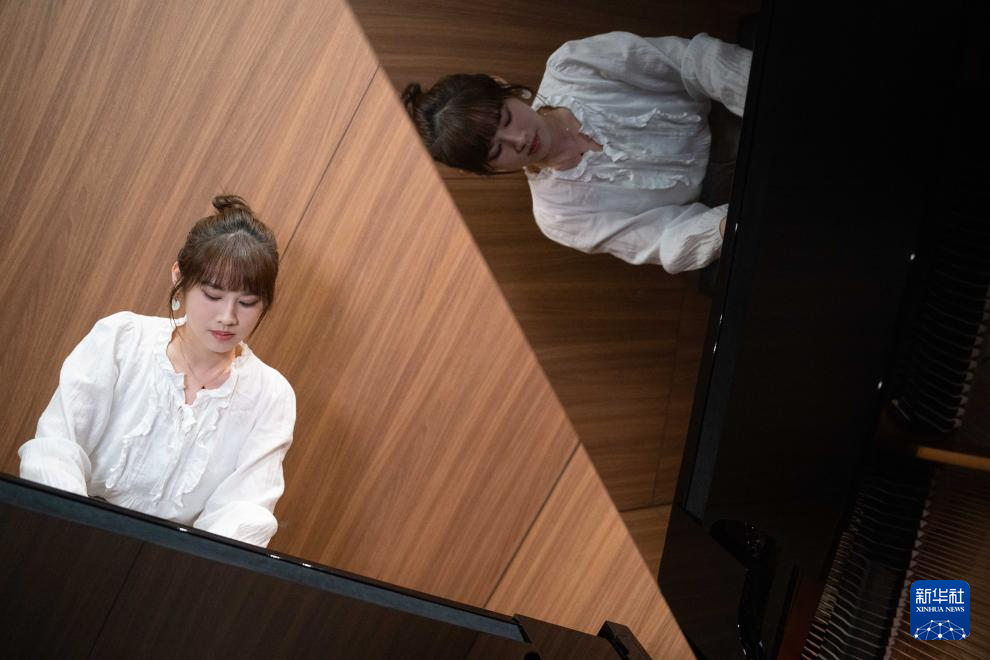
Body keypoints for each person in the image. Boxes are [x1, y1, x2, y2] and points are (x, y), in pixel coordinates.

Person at [18, 196, 295, 548]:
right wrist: (76, 534)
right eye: (213, 295)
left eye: (247, 302)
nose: (228, 317)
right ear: (179, 277)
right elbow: (56, 448)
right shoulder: (122, 339)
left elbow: (243, 512)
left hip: (172, 561)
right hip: (64, 532)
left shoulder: (271, 395)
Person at [402, 31, 752, 273]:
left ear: (501, 85)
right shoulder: (557, 215)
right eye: (496, 150)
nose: (518, 139)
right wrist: (731, 222)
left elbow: (690, 62)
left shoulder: (574, 66)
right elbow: (661, 240)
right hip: (717, 205)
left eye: (506, 118)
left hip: (729, 106)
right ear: (484, 169)